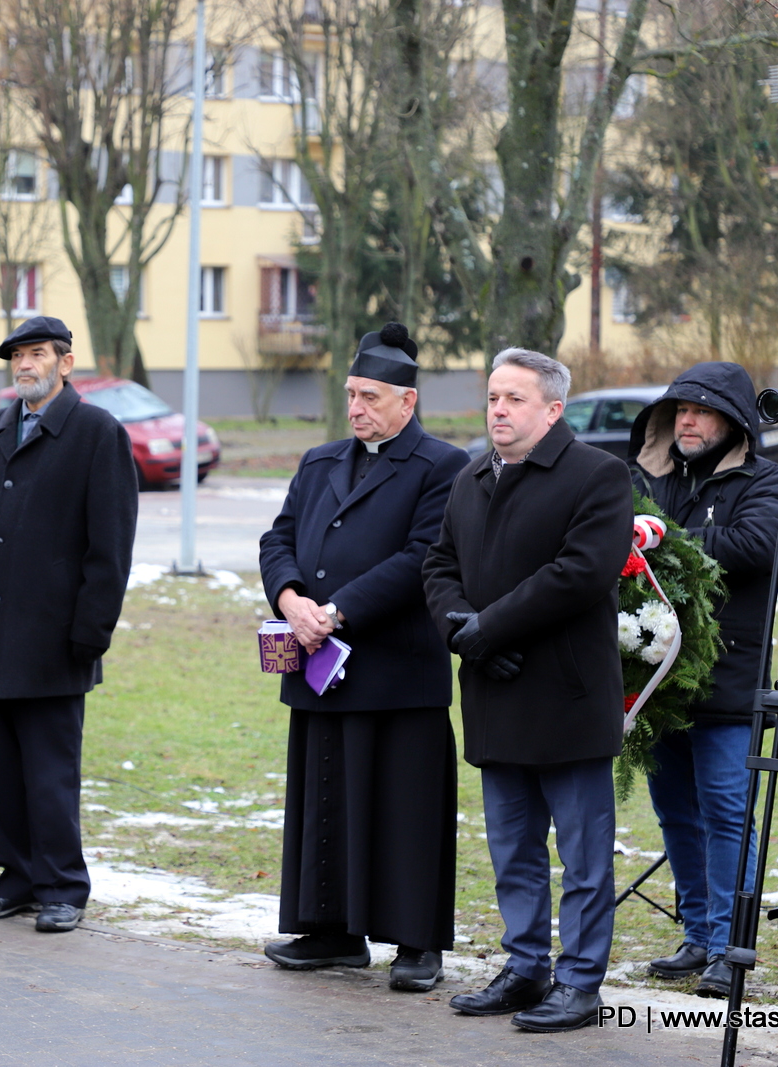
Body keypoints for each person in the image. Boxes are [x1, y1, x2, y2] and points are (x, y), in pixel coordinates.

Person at [423, 348, 632, 1033]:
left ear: (552, 409)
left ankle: (578, 980)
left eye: (514, 398)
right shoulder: (471, 475)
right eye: (492, 398)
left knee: (582, 854)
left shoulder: (597, 475)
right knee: (513, 850)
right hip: (495, 692)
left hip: (565, 697)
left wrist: (491, 626)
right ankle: (524, 966)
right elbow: (439, 562)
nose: (498, 411)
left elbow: (580, 572)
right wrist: (463, 630)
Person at [257, 323, 468, 989]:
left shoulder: (442, 466)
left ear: (407, 402)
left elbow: (421, 557)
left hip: (398, 668)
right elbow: (278, 536)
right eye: (351, 395)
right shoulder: (321, 461)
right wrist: (291, 598)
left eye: (370, 397)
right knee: (325, 799)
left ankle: (416, 943)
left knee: (405, 809)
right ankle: (331, 932)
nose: (356, 408)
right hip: (321, 668)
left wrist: (336, 610)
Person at [0, 316, 138, 933]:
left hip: (57, 639)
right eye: (16, 357)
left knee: (50, 772)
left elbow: (110, 548)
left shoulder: (96, 433)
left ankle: (62, 884)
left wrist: (91, 633)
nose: (25, 365)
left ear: (65, 362)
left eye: (36, 354)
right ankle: (18, 875)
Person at [626, 362, 778, 997]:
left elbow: (754, 546)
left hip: (729, 682)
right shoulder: (653, 479)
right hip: (658, 683)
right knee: (676, 813)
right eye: (678, 412)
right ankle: (698, 935)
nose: (686, 422)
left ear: (735, 423)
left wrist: (662, 539)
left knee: (726, 813)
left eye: (701, 411)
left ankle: (730, 947)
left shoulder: (766, 481)